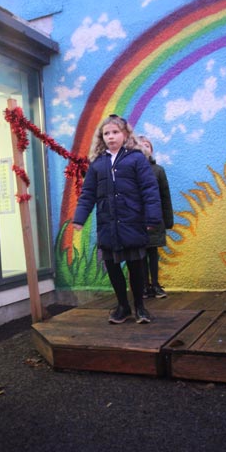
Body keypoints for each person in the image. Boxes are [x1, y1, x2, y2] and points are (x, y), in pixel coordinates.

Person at [73, 114, 162, 324]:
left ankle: (140, 306)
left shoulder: (137, 158)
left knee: (136, 265)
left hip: (132, 222)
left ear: (125, 134)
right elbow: (87, 194)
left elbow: (150, 190)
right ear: (101, 137)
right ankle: (123, 306)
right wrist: (79, 218)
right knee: (112, 267)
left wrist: (152, 218)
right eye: (106, 133)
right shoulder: (97, 164)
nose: (111, 137)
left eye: (115, 132)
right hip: (108, 225)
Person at [137, 136, 174, 299]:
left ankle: (156, 284)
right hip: (138, 220)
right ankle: (145, 286)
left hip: (155, 218)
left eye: (147, 145)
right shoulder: (133, 170)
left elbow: (165, 196)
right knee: (140, 254)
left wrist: (168, 220)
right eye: (141, 145)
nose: (145, 148)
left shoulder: (158, 170)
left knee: (153, 253)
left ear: (151, 149)